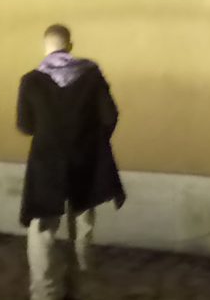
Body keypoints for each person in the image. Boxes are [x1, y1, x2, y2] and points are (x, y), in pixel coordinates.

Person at [16, 24, 126, 300]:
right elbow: (110, 116)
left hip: (46, 162)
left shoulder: (31, 80)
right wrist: (92, 140)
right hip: (84, 159)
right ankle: (82, 282)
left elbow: (25, 126)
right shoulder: (91, 75)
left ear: (45, 46)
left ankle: (45, 291)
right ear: (70, 45)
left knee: (42, 227)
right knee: (84, 222)